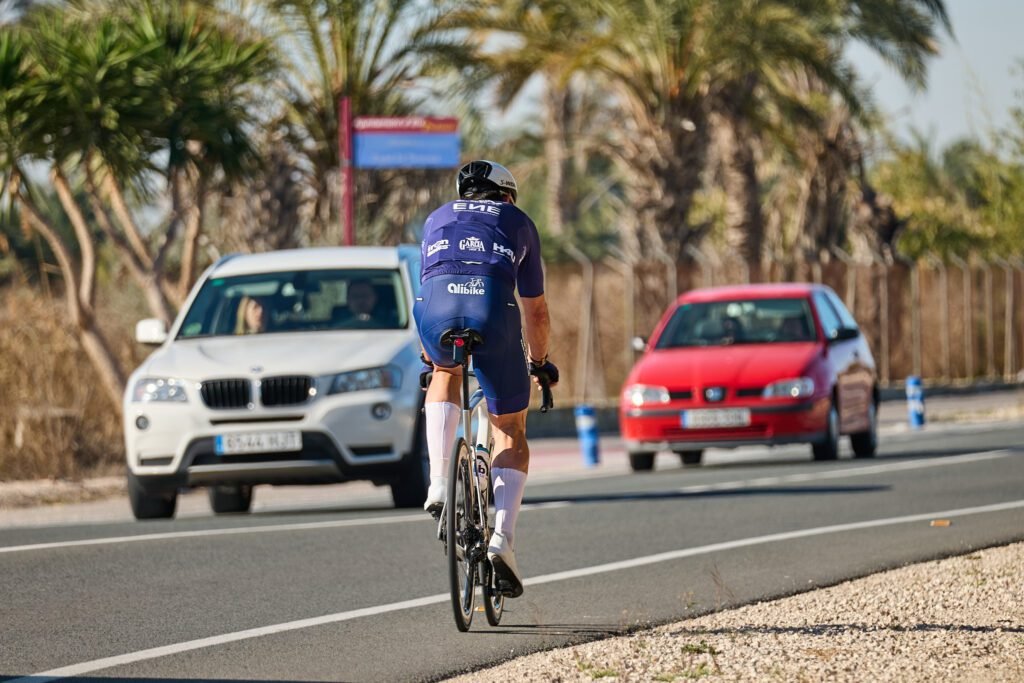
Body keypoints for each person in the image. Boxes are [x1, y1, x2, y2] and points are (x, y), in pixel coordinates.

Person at [414, 159, 559, 599]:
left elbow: (431, 286)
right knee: (510, 427)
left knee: (443, 370)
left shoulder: (436, 218)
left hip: (435, 311)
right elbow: (535, 310)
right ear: (507, 194)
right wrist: (540, 363)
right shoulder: (517, 221)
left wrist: (431, 357)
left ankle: (439, 482)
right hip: (492, 313)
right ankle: (503, 540)